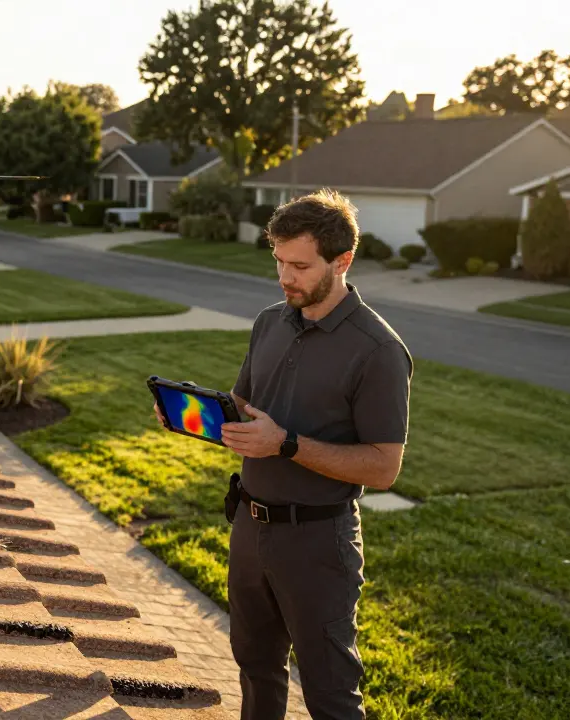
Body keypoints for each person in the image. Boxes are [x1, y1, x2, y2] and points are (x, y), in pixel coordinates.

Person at [158, 190, 412, 719]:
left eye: (299, 265)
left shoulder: (379, 351)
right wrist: (195, 415)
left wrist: (287, 444)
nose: (284, 276)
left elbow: (385, 467)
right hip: (250, 526)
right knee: (255, 667)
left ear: (342, 262)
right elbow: (247, 409)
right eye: (278, 261)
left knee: (330, 693)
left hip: (319, 541)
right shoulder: (270, 320)